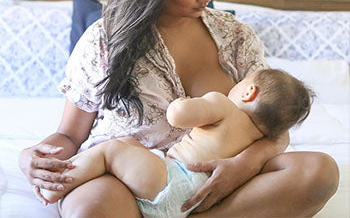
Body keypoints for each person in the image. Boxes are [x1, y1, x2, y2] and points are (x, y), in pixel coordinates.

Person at [19, 0, 339, 218]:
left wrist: (245, 164)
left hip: (218, 178)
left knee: (318, 172)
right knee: (91, 209)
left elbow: (273, 125)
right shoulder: (105, 40)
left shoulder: (236, 36)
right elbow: (70, 136)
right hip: (128, 181)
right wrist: (29, 158)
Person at [40, 68, 314, 218]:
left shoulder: (224, 105)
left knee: (114, 148)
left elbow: (177, 115)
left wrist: (189, 100)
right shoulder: (261, 137)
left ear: (249, 91)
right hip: (201, 200)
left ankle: (58, 183)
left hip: (174, 180)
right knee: (134, 151)